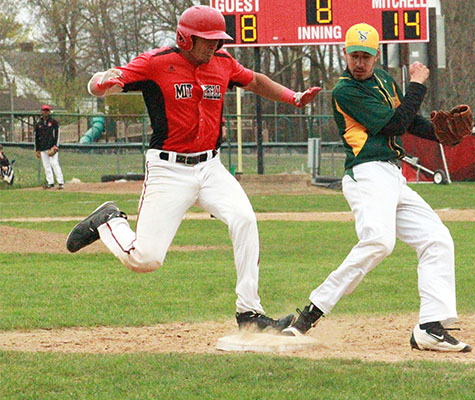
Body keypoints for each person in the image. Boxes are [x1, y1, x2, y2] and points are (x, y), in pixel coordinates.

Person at [66, 5, 320, 332]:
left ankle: (249, 314)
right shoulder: (156, 62)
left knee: (244, 219)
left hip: (210, 167)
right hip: (169, 171)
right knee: (146, 260)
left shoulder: (223, 63)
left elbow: (255, 80)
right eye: (207, 40)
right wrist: (102, 82)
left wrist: (294, 97)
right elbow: (99, 83)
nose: (215, 46)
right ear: (186, 39)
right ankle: (109, 220)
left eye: (218, 40)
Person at [282, 23, 472, 352]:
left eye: (366, 56)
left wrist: (440, 134)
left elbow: (409, 121)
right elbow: (393, 124)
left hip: (392, 176)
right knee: (379, 242)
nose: (359, 62)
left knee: (437, 239)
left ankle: (430, 327)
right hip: (366, 173)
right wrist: (417, 86)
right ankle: (309, 315)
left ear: (376, 56)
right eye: (354, 55)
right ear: (345, 54)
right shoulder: (345, 90)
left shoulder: (383, 79)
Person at [34, 105, 64, 189]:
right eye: (44, 110)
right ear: (41, 111)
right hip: (43, 147)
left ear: (49, 112)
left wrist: (56, 146)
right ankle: (50, 182)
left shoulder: (53, 122)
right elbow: (36, 137)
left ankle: (60, 182)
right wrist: (37, 149)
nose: (45, 112)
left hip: (51, 147)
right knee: (46, 166)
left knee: (54, 164)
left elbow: (57, 134)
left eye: (47, 110)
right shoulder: (38, 124)